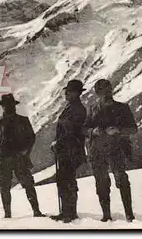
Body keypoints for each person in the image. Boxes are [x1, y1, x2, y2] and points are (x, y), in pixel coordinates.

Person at [83, 79, 138, 222]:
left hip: (117, 149)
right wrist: (93, 131)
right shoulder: (91, 109)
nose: (107, 93)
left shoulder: (123, 108)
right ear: (97, 93)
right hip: (97, 151)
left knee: (122, 179)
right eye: (103, 90)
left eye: (109, 89)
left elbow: (133, 128)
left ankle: (129, 215)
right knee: (101, 182)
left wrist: (118, 130)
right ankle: (106, 215)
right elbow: (84, 129)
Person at [0, 93, 45, 218]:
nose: (9, 107)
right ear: (3, 106)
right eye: (6, 105)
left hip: (19, 157)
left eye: (11, 105)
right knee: (4, 187)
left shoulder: (23, 120)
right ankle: (8, 214)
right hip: (2, 159)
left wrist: (26, 150)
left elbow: (31, 137)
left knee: (28, 184)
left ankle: (36, 211)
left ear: (14, 105)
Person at [50, 80, 87, 223]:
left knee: (67, 180)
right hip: (66, 150)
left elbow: (71, 132)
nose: (66, 93)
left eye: (69, 91)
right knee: (64, 179)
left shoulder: (77, 109)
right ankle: (66, 211)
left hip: (71, 150)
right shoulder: (72, 108)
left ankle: (70, 213)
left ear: (77, 93)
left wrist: (57, 142)